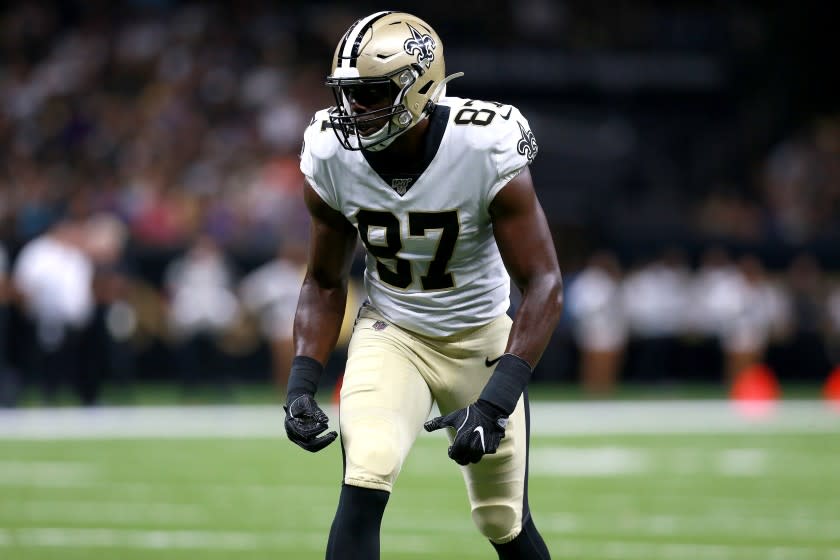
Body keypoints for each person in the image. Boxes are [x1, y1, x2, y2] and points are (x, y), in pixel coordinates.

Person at [285, 11, 562, 560]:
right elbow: (322, 279)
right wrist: (300, 383)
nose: (353, 111)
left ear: (420, 87)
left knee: (500, 519)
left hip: (480, 338)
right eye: (347, 94)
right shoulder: (329, 152)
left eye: (370, 94)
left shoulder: (483, 145)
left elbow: (544, 284)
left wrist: (494, 404)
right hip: (393, 331)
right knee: (367, 471)